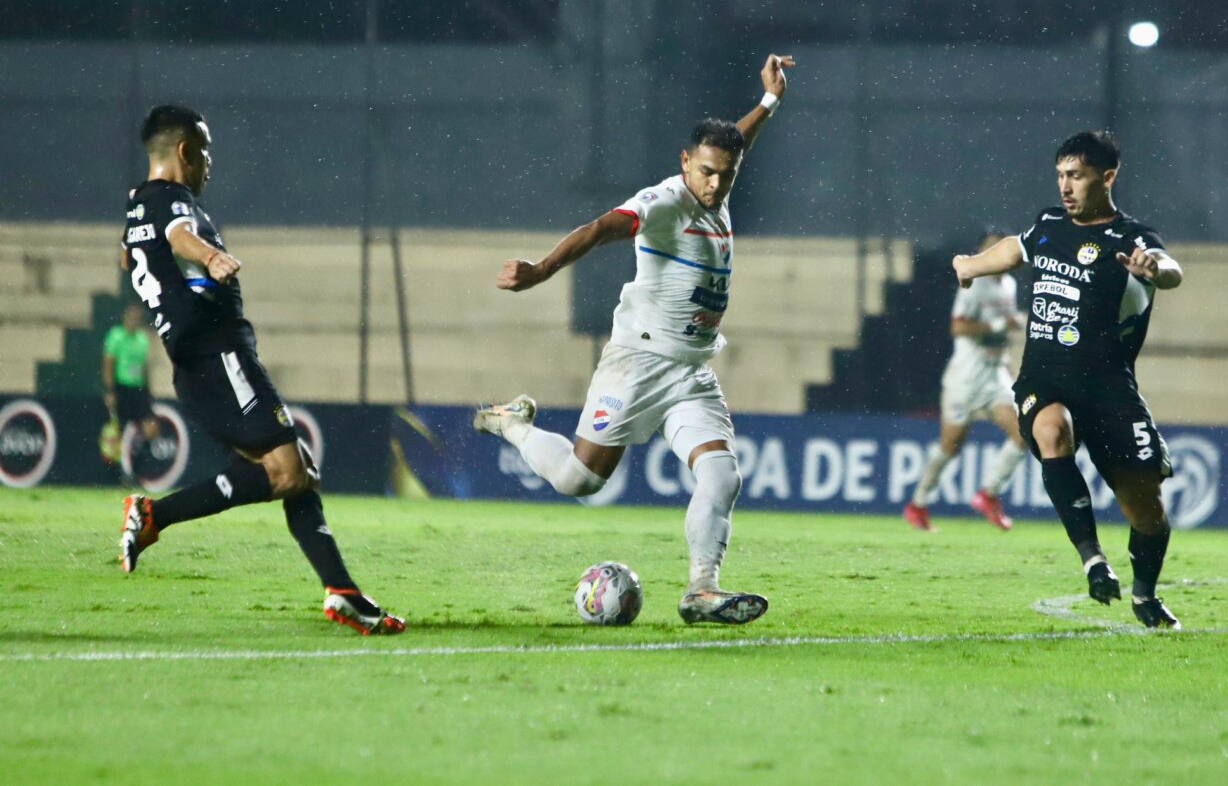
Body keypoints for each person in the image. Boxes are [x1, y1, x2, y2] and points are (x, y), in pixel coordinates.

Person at [474, 54, 794, 626]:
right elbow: (601, 228)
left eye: (726, 174)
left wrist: (768, 102)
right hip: (639, 362)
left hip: (692, 371)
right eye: (706, 172)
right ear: (684, 164)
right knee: (579, 479)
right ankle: (513, 423)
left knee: (722, 474)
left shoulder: (717, 185)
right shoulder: (667, 202)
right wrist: (542, 270)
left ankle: (702, 589)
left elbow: (734, 145)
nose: (716, 183)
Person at [116, 105, 404, 635]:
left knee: (295, 471)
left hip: (200, 361)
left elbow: (133, 255)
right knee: (292, 472)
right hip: (218, 354)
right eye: (204, 152)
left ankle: (341, 591)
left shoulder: (138, 204)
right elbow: (181, 236)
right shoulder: (172, 201)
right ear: (184, 152)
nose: (209, 164)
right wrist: (208, 258)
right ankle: (156, 517)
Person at [952, 130, 1183, 629]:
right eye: (1060, 176)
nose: (1065, 187)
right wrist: (969, 265)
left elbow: (1170, 270)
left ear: (1108, 177)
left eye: (1075, 176)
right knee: (1050, 430)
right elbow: (1017, 248)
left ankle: (1145, 594)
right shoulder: (1050, 224)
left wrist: (1155, 268)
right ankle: (1093, 560)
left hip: (1109, 386)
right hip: (1045, 376)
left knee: (1146, 510)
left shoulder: (1133, 240)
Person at [905, 231, 1027, 532]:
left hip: (995, 372)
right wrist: (1001, 323)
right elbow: (957, 328)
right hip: (967, 376)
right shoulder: (974, 285)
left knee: (1024, 433)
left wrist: (1010, 368)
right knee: (951, 445)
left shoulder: (1009, 285)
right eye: (988, 249)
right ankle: (918, 504)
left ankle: (989, 494)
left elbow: (1000, 335)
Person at [102, 303, 161, 469]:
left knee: (150, 428)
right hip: (121, 388)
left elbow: (144, 367)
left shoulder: (142, 339)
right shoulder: (116, 336)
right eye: (132, 316)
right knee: (118, 430)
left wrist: (148, 390)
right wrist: (110, 391)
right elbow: (108, 364)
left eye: (138, 317)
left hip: (139, 389)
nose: (135, 320)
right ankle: (119, 470)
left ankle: (137, 461)